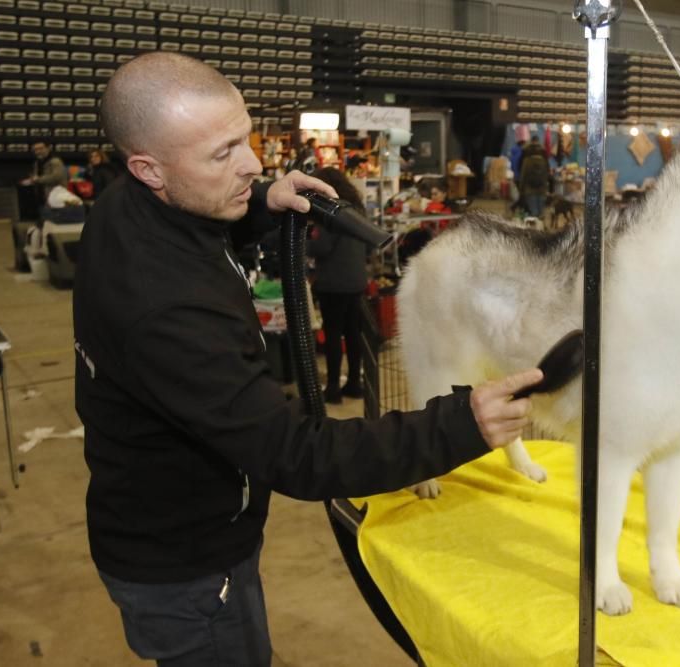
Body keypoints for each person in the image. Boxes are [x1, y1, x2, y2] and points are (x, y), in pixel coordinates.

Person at [74, 52, 542, 667]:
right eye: (222, 155)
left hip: (184, 524)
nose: (250, 163)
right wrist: (459, 425)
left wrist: (264, 201)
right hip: (187, 564)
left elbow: (192, 226)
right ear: (148, 169)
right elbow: (295, 454)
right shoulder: (166, 311)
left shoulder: (126, 204)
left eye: (244, 139)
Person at [307, 167, 368, 404]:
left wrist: (307, 242)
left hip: (333, 282)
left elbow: (322, 247)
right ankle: (354, 383)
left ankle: (332, 388)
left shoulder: (331, 210)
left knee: (333, 334)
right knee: (353, 333)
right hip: (357, 280)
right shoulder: (357, 209)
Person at [20, 141, 68, 211]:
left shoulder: (55, 161)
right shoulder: (37, 163)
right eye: (35, 150)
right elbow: (36, 177)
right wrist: (30, 181)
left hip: (55, 196)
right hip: (42, 196)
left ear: (48, 148)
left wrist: (37, 179)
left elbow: (56, 177)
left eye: (41, 148)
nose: (38, 151)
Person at [520, 136, 550, 219]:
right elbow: (547, 174)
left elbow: (523, 175)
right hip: (541, 189)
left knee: (533, 213)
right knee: (541, 213)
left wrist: (521, 189)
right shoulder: (544, 161)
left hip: (529, 189)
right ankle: (541, 228)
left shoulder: (526, 161)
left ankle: (535, 229)